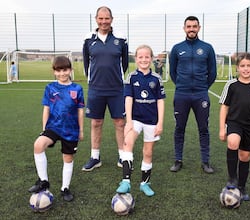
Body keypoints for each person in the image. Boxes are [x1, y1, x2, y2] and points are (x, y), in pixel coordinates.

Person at [28, 56, 85, 202]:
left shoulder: (77, 89)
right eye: (58, 71)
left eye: (65, 70)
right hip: (53, 126)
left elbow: (80, 111)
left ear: (70, 70)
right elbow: (46, 109)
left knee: (68, 158)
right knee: (38, 145)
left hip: (71, 129)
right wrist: (44, 128)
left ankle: (65, 188)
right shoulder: (50, 88)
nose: (62, 74)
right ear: (54, 72)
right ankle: (43, 181)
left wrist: (81, 130)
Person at [82, 6, 128, 171]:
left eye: (106, 18)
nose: (103, 21)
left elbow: (124, 63)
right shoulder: (89, 38)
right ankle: (95, 157)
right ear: (96, 19)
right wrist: (95, 78)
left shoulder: (121, 38)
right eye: (100, 18)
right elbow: (87, 63)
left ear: (112, 19)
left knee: (120, 122)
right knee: (96, 122)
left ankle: (123, 156)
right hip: (96, 88)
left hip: (116, 88)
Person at [116, 45, 165, 197]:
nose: (144, 59)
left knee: (148, 152)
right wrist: (129, 122)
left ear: (151, 59)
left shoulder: (156, 78)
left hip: (152, 120)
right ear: (135, 59)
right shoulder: (131, 77)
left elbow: (160, 101)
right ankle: (126, 181)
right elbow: (128, 99)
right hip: (135, 119)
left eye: (147, 57)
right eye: (140, 57)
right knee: (127, 143)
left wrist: (160, 123)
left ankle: (145, 183)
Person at [169, 16, 217, 173]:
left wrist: (202, 87)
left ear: (199, 28)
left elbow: (213, 73)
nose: (191, 29)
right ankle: (178, 160)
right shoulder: (177, 48)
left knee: (203, 128)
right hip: (181, 95)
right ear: (184, 28)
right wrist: (183, 86)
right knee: (179, 128)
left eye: (194, 26)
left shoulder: (207, 48)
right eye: (188, 26)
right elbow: (172, 73)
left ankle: (205, 162)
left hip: (200, 95)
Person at [219, 52, 250, 201]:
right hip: (234, 122)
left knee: (245, 156)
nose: (245, 69)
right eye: (242, 66)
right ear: (237, 68)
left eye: (249, 66)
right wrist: (222, 128)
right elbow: (224, 107)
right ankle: (232, 179)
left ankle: (241, 186)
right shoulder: (231, 85)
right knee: (233, 142)